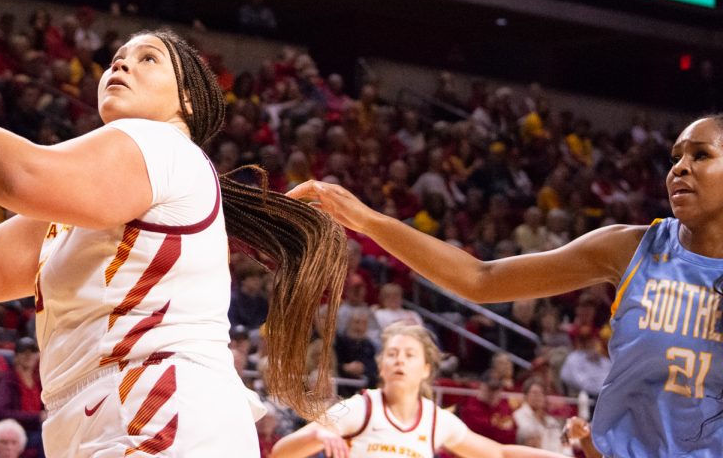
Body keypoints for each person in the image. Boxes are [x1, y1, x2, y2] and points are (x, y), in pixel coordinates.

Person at [0, 23, 346, 455]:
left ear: (186, 101)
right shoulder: (94, 193)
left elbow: (20, 177)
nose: (121, 65)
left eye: (147, 59)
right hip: (101, 412)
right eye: (116, 59)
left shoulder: (163, 146)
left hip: (161, 408)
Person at [290, 111, 723, 458]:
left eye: (700, 155)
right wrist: (368, 220)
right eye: (676, 157)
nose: (680, 167)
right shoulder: (630, 248)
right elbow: (480, 279)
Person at [271, 323, 571, 458]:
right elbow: (280, 452)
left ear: (427, 368)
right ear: (382, 366)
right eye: (392, 354)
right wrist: (317, 433)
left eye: (409, 354)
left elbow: (500, 454)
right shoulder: (359, 409)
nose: (399, 359)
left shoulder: (436, 420)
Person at [0, 338, 42, 451]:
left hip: (35, 429)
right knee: (43, 440)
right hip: (13, 432)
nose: (28, 355)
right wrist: (37, 417)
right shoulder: (8, 380)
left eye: (32, 352)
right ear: (16, 356)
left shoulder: (39, 382)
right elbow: (0, 412)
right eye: (24, 352)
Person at [513, 379, 571, 455]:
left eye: (541, 393)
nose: (538, 397)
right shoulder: (518, 415)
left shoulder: (551, 420)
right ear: (525, 396)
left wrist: (568, 454)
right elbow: (530, 438)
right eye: (534, 393)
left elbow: (564, 440)